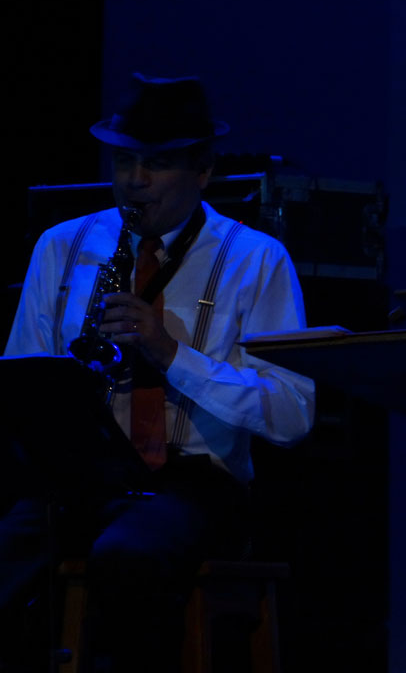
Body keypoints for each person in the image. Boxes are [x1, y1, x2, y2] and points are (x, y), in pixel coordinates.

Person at [0, 73, 315, 671]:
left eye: (157, 164)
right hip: (77, 480)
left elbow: (292, 414)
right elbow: (23, 379)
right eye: (124, 161)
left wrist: (172, 354)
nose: (133, 181)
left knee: (129, 558)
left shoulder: (257, 259)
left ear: (203, 172)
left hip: (193, 484)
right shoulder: (62, 246)